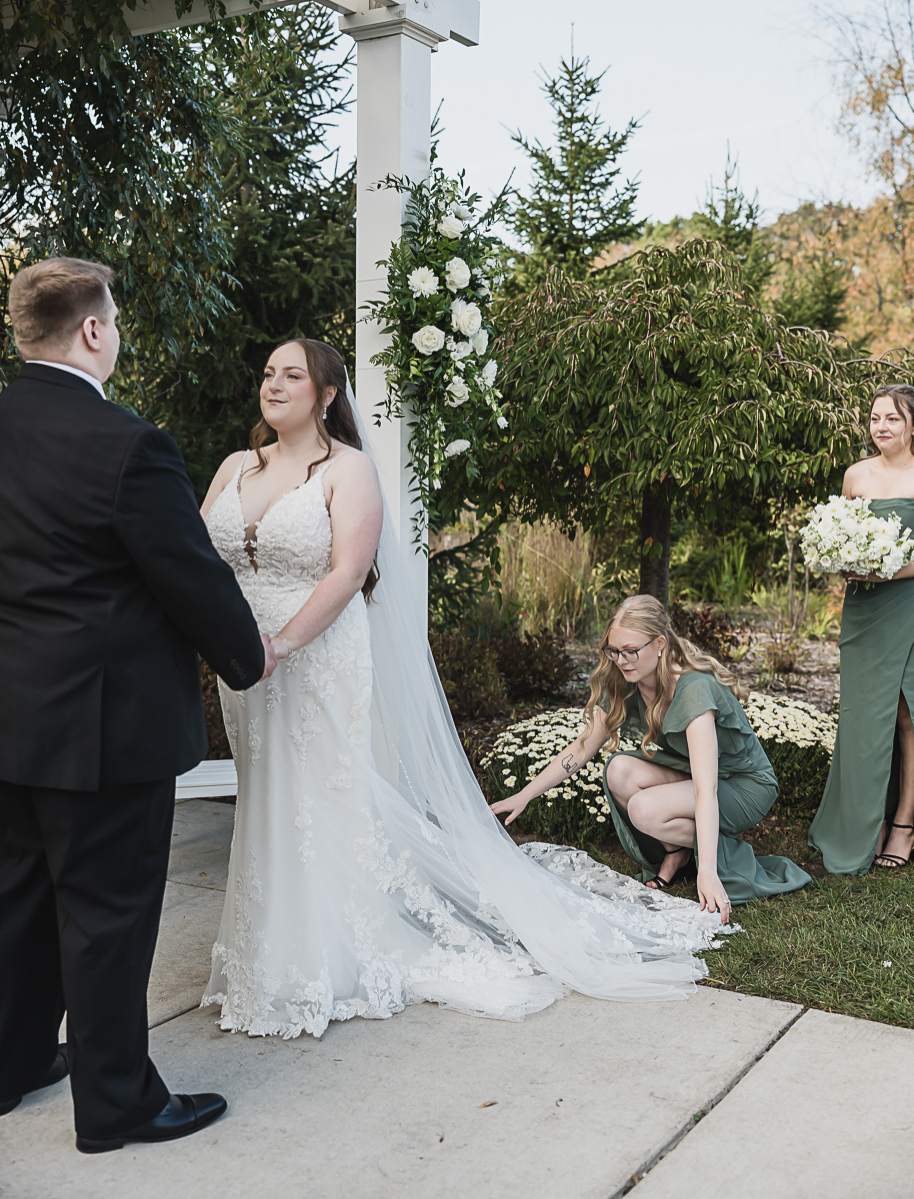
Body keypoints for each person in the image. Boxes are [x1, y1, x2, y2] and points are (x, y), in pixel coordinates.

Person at [200, 338, 732, 1042]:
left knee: (315, 797)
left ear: (326, 395)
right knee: (264, 793)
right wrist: (225, 640)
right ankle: (261, 951)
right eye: (268, 372)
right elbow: (196, 557)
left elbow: (347, 573)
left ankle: (322, 959)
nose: (273, 384)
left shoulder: (347, 469)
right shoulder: (236, 466)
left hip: (312, 654)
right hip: (244, 664)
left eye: (292, 375)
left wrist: (282, 644)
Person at [0, 258, 274, 1154]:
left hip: (12, 720)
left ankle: (10, 1061)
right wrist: (247, 656)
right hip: (103, 729)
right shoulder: (127, 444)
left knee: (17, 902)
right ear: (92, 330)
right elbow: (187, 575)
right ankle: (116, 1103)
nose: (114, 332)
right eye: (112, 319)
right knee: (106, 919)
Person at [495, 596, 811, 909]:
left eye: (631, 651)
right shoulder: (625, 681)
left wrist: (708, 872)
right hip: (695, 774)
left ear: (659, 643)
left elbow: (706, 789)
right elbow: (582, 747)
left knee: (643, 810)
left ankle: (723, 856)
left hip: (744, 785)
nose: (622, 660)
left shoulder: (693, 689)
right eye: (614, 651)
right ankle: (677, 852)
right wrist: (524, 795)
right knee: (618, 771)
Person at [809, 385, 914, 873]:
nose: (881, 427)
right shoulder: (856, 475)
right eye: (875, 418)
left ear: (912, 425)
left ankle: (904, 823)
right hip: (863, 610)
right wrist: (839, 559)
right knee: (863, 714)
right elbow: (839, 538)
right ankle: (863, 824)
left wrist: (887, 572)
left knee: (906, 713)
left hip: (908, 604)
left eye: (892, 418)